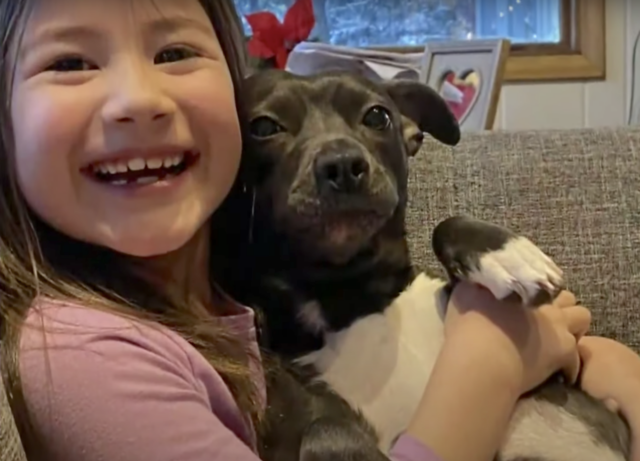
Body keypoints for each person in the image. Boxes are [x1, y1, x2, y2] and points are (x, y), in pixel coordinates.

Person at [0, 0, 633, 460]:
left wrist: (606, 363)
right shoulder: (83, 356)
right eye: (70, 61)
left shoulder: (233, 313)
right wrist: (489, 364)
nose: (138, 98)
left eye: (174, 53)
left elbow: (569, 345)